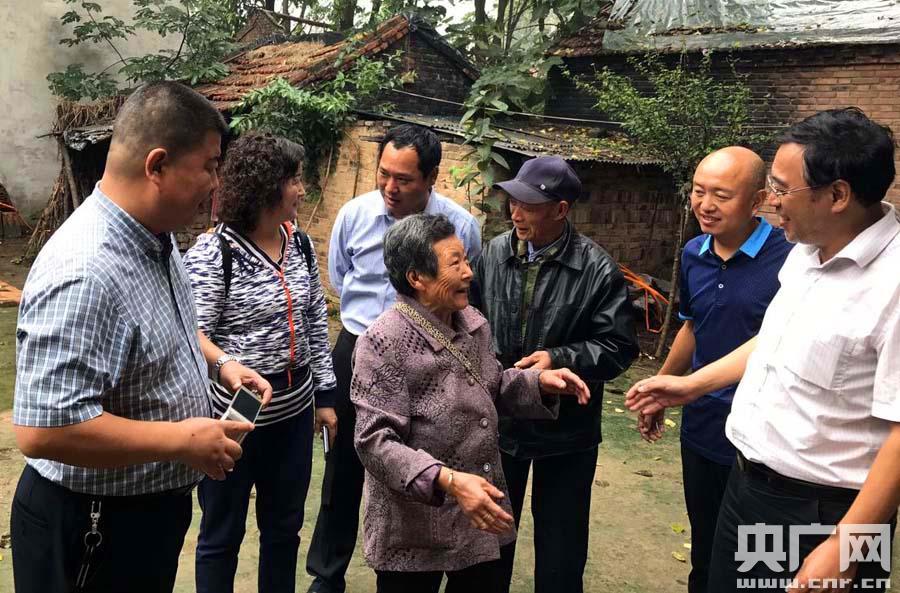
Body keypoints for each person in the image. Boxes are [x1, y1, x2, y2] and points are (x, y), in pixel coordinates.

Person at [10, 81, 273, 593]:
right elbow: (43, 429)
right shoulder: (85, 270)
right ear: (157, 166)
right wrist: (181, 440)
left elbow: (164, 326)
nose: (216, 183)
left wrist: (220, 364)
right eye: (210, 166)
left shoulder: (155, 237)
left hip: (142, 517)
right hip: (93, 526)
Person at [627, 108, 900, 593]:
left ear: (837, 195)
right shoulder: (808, 252)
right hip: (749, 484)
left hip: (824, 512)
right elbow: (774, 340)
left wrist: (849, 547)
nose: (770, 201)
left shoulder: (892, 284)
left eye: (781, 188)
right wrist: (692, 384)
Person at [352, 213, 591, 593]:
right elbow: (375, 442)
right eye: (455, 263)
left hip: (479, 515)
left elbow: (489, 386)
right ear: (417, 278)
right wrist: (448, 480)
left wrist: (538, 383)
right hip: (415, 525)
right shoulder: (383, 342)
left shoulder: (471, 323)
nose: (469, 272)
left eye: (466, 259)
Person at [306, 124, 481, 593]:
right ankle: (328, 575)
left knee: (421, 463)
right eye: (383, 174)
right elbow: (340, 278)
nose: (390, 187)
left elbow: (463, 288)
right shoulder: (354, 214)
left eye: (403, 179)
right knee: (344, 465)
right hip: (359, 348)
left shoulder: (460, 227)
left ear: (432, 177)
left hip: (431, 358)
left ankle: (414, 567)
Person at [470, 156, 639, 593]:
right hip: (501, 421)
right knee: (489, 543)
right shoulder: (493, 253)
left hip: (567, 432)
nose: (516, 213)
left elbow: (619, 347)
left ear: (561, 210)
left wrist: (559, 357)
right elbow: (472, 321)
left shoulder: (598, 269)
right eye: (513, 201)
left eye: (528, 205)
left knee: (561, 551)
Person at [183, 132, 338, 593]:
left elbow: (314, 320)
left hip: (295, 411)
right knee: (222, 531)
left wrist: (325, 396)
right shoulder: (216, 253)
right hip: (237, 414)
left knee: (284, 529)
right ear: (267, 186)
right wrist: (226, 363)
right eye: (295, 180)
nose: (302, 190)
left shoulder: (299, 243)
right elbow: (190, 333)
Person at [636, 146, 792, 593]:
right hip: (703, 425)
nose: (705, 205)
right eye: (698, 191)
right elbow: (693, 326)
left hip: (763, 435)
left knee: (756, 561)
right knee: (704, 548)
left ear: (757, 200)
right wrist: (662, 389)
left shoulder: (789, 260)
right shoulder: (693, 253)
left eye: (721, 195)